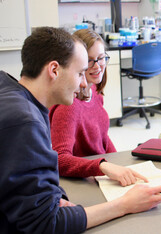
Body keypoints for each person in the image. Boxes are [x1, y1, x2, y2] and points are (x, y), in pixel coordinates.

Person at [0, 27, 161, 233]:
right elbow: (46, 224)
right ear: (54, 70)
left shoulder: (7, 91)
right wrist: (124, 205)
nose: (84, 82)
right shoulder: (23, 122)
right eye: (79, 73)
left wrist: (56, 199)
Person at [49, 29, 143, 186]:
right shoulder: (68, 106)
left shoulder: (94, 90)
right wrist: (103, 166)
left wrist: (119, 162)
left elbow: (102, 138)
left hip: (100, 172)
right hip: (84, 180)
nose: (97, 66)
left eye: (101, 58)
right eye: (89, 61)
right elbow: (59, 158)